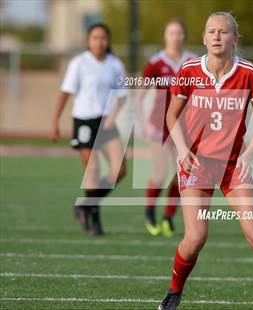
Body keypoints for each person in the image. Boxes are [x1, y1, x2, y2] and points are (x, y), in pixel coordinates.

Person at [158, 12, 253, 310]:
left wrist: (247, 156)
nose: (216, 36)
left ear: (235, 39)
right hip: (197, 163)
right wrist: (183, 150)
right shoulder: (188, 70)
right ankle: (173, 292)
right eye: (211, 31)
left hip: (233, 165)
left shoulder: (248, 72)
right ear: (203, 38)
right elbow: (171, 115)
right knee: (196, 237)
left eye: (223, 32)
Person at [50, 23, 127, 235]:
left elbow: (122, 96)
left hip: (107, 122)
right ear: (88, 40)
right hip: (84, 121)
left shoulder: (115, 64)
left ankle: (84, 206)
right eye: (95, 37)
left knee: (119, 170)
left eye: (103, 38)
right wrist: (55, 122)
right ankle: (95, 221)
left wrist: (112, 116)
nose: (99, 42)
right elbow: (65, 92)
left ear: (108, 40)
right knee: (92, 171)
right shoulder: (79, 63)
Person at [136, 18, 196, 237]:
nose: (176, 37)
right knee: (160, 173)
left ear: (184, 36)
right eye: (171, 33)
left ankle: (168, 216)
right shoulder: (155, 62)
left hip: (185, 128)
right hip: (159, 126)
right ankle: (150, 211)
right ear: (165, 36)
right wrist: (143, 124)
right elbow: (139, 97)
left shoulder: (193, 62)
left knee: (183, 174)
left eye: (179, 33)